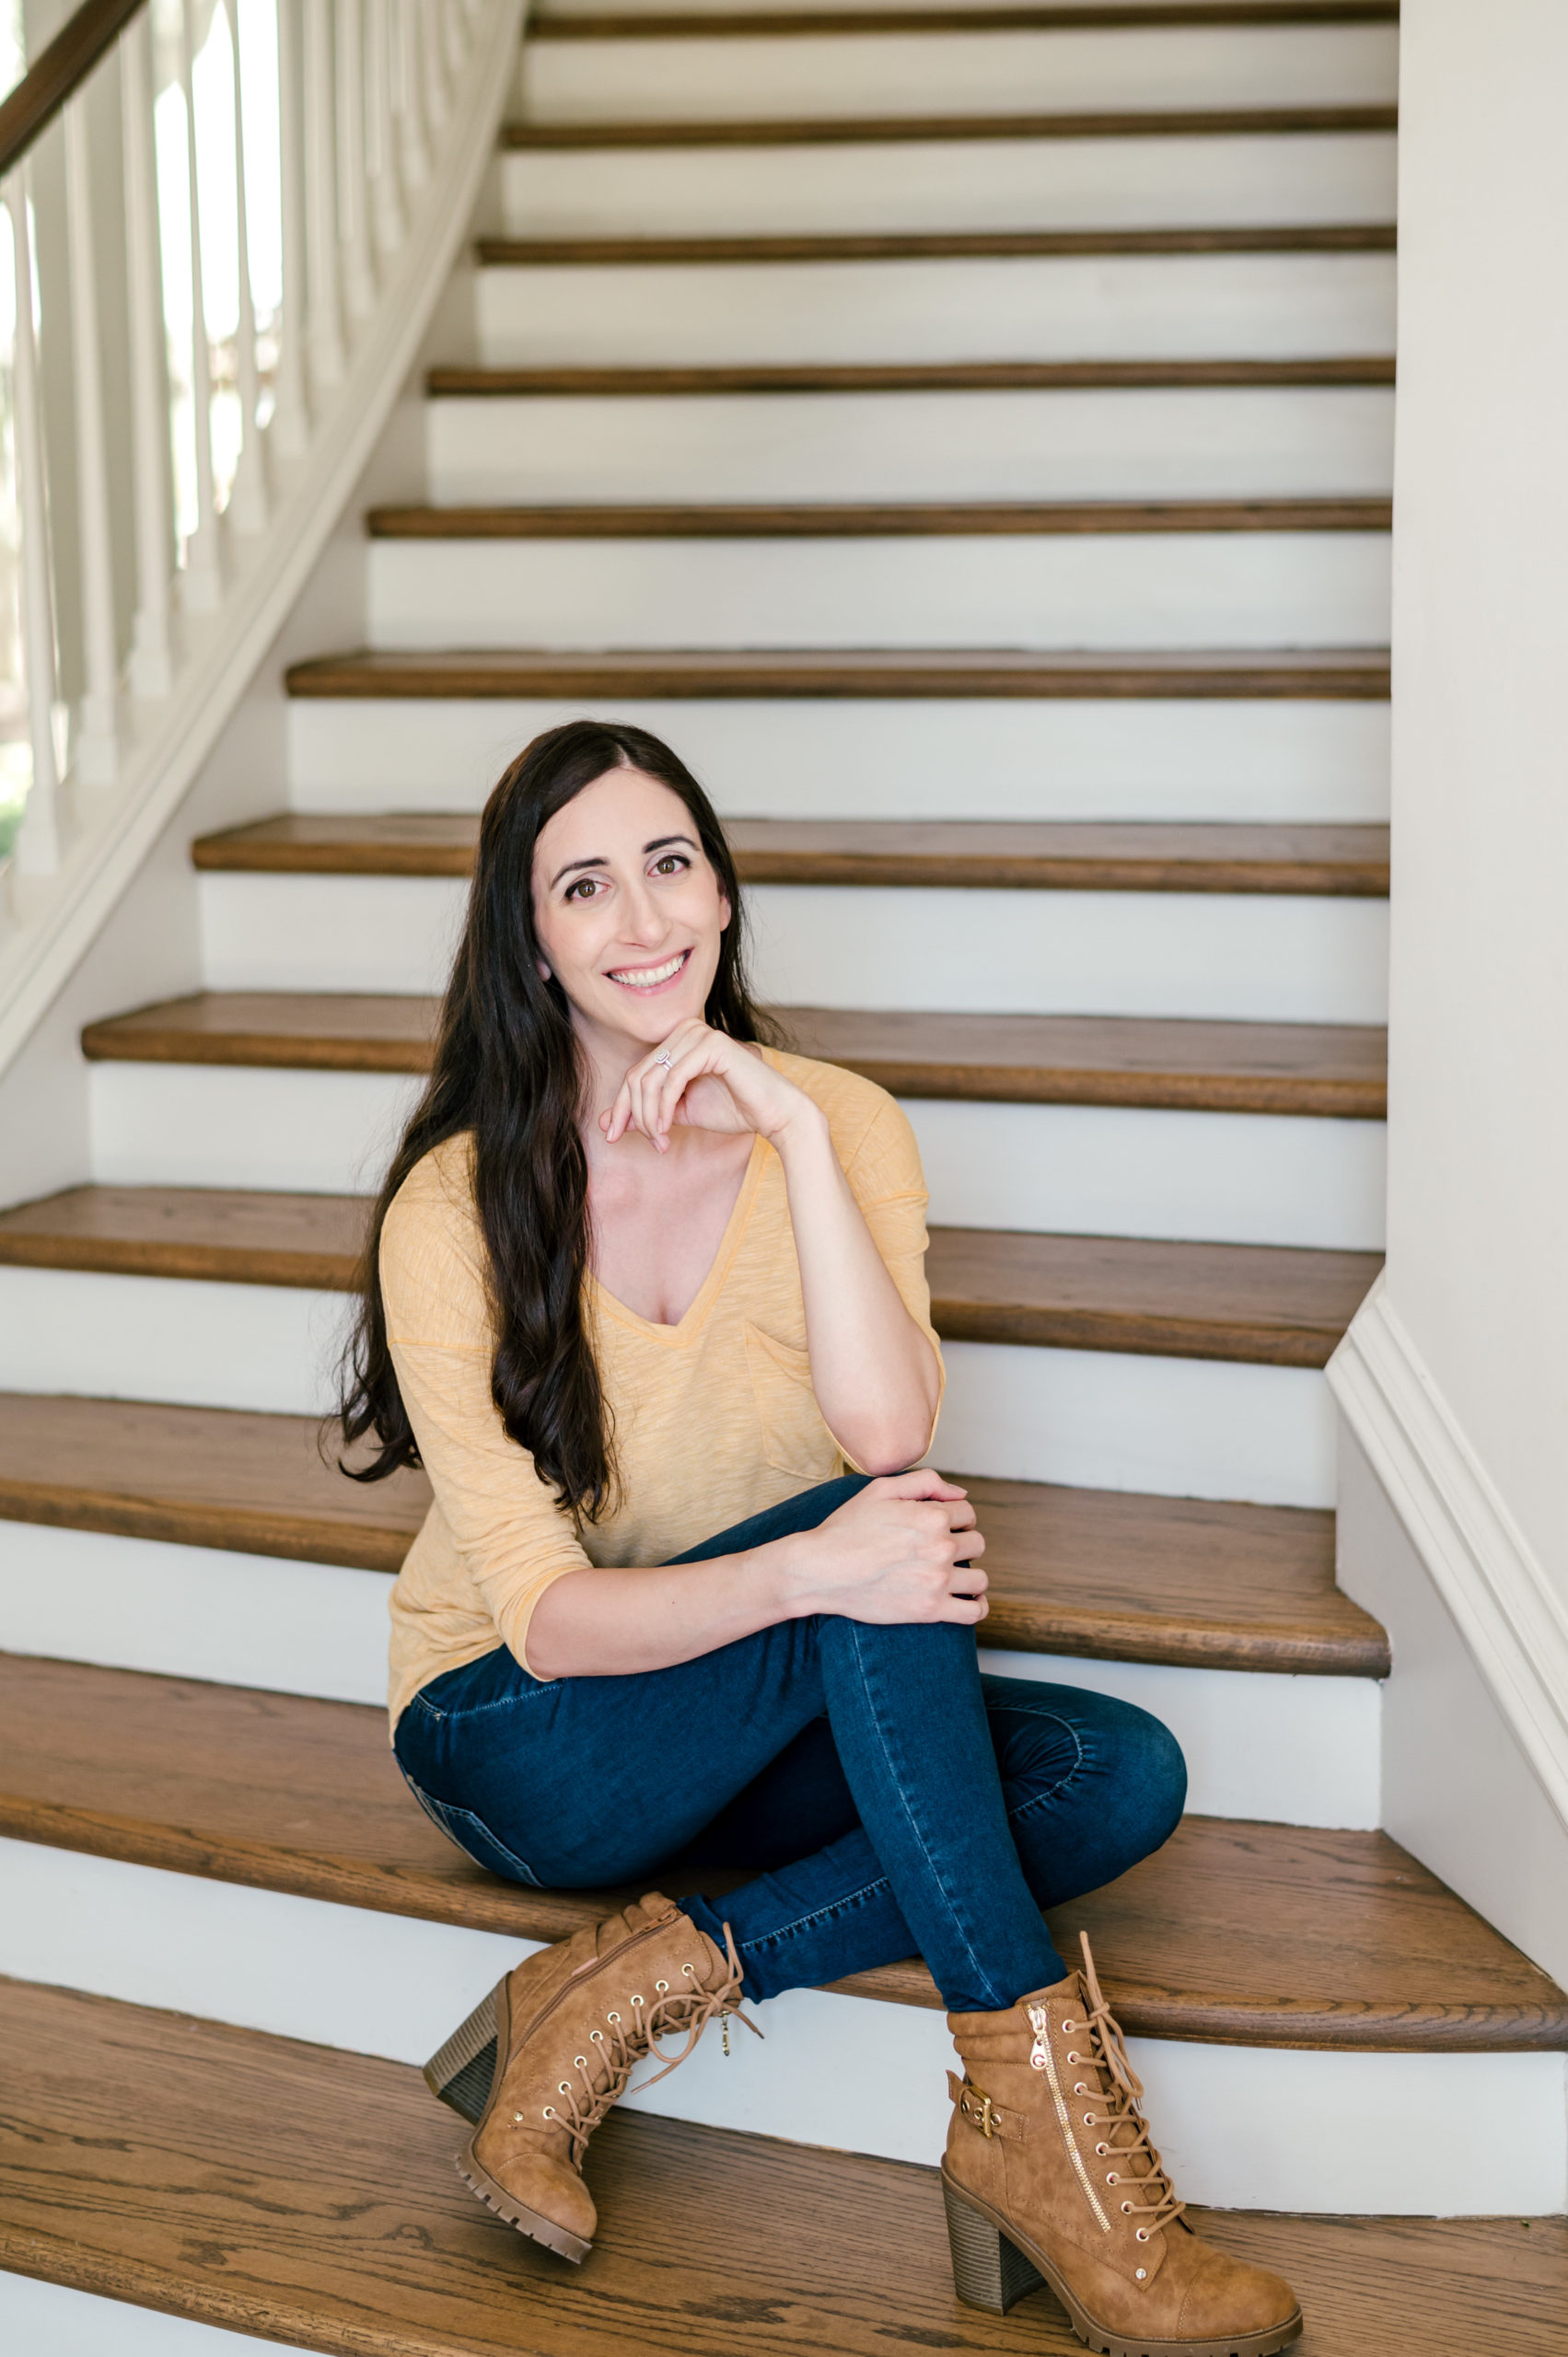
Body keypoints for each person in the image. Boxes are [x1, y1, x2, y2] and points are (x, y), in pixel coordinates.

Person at [341, 720, 1302, 2357]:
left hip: (744, 1692)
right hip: (523, 1727)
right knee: (881, 1548)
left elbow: (887, 1433)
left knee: (1110, 1773)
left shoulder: (839, 1123)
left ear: (721, 886)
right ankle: (1048, 2153)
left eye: (671, 864)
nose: (644, 922)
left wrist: (784, 1132)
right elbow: (555, 1622)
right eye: (585, 886)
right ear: (529, 937)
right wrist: (817, 1573)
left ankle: (626, 1991)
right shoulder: (454, 1207)